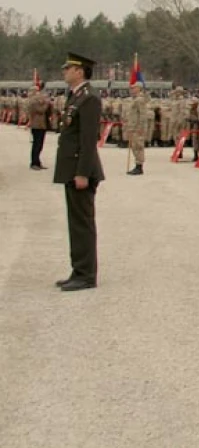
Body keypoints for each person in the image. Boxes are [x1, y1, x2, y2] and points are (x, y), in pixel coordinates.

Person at [54, 52, 105, 292]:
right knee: (75, 223)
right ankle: (78, 269)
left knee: (82, 223)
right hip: (71, 168)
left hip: (80, 169)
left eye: (68, 68)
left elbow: (87, 140)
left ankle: (86, 275)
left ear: (80, 71)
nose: (64, 71)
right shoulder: (75, 96)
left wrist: (82, 172)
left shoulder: (89, 98)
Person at [125, 82, 147, 175]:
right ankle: (137, 165)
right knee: (134, 146)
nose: (132, 90)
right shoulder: (134, 99)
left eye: (134, 88)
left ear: (139, 88)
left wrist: (141, 127)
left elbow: (142, 115)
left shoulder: (140, 100)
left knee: (138, 146)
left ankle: (139, 166)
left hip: (137, 127)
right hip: (133, 127)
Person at [28, 84, 51, 170]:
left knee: (40, 144)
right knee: (36, 145)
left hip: (41, 124)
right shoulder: (33, 101)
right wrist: (46, 104)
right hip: (37, 125)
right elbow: (41, 110)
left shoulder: (37, 100)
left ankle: (37, 162)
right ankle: (34, 163)